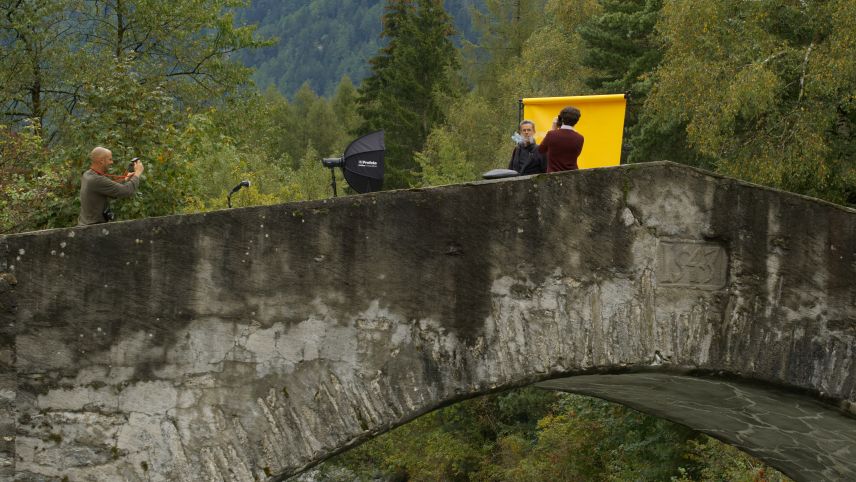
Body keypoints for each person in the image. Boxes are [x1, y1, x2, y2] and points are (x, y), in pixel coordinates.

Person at [78, 146, 144, 225]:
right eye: (110, 159)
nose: (112, 162)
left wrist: (125, 179)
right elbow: (126, 191)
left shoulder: (87, 174)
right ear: (102, 161)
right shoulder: (96, 179)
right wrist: (137, 174)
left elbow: (109, 186)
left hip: (85, 224)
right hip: (93, 227)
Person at [538, 106, 584, 172]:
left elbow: (541, 150)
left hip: (554, 174)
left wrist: (553, 129)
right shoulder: (580, 138)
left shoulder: (552, 134)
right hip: (572, 174)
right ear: (576, 121)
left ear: (561, 119)